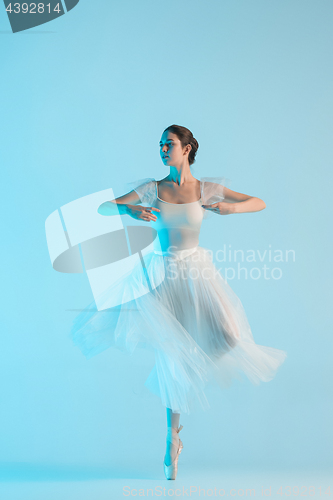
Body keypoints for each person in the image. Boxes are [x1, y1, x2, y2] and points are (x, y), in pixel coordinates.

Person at [70, 124, 287, 480]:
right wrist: (130, 212)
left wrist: (232, 211)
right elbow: (103, 208)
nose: (162, 149)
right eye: (159, 145)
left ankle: (183, 403)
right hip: (161, 275)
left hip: (197, 273)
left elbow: (259, 202)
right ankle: (172, 438)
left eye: (168, 144)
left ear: (187, 149)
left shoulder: (205, 189)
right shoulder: (152, 189)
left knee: (228, 336)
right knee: (172, 354)